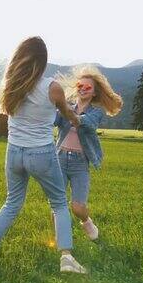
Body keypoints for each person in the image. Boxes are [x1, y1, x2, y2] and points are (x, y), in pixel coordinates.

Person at [0, 37, 87, 273]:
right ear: (43, 61)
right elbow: (67, 114)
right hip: (41, 153)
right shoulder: (52, 88)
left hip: (14, 152)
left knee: (12, 202)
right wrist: (77, 121)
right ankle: (66, 258)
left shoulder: (10, 86)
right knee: (58, 203)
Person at [54, 66, 123, 240]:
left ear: (94, 93)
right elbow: (53, 119)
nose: (83, 89)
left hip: (79, 163)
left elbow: (85, 123)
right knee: (57, 204)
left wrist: (64, 110)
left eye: (88, 87)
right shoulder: (66, 107)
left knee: (77, 207)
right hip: (60, 159)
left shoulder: (96, 112)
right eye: (80, 85)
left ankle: (86, 221)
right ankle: (61, 239)